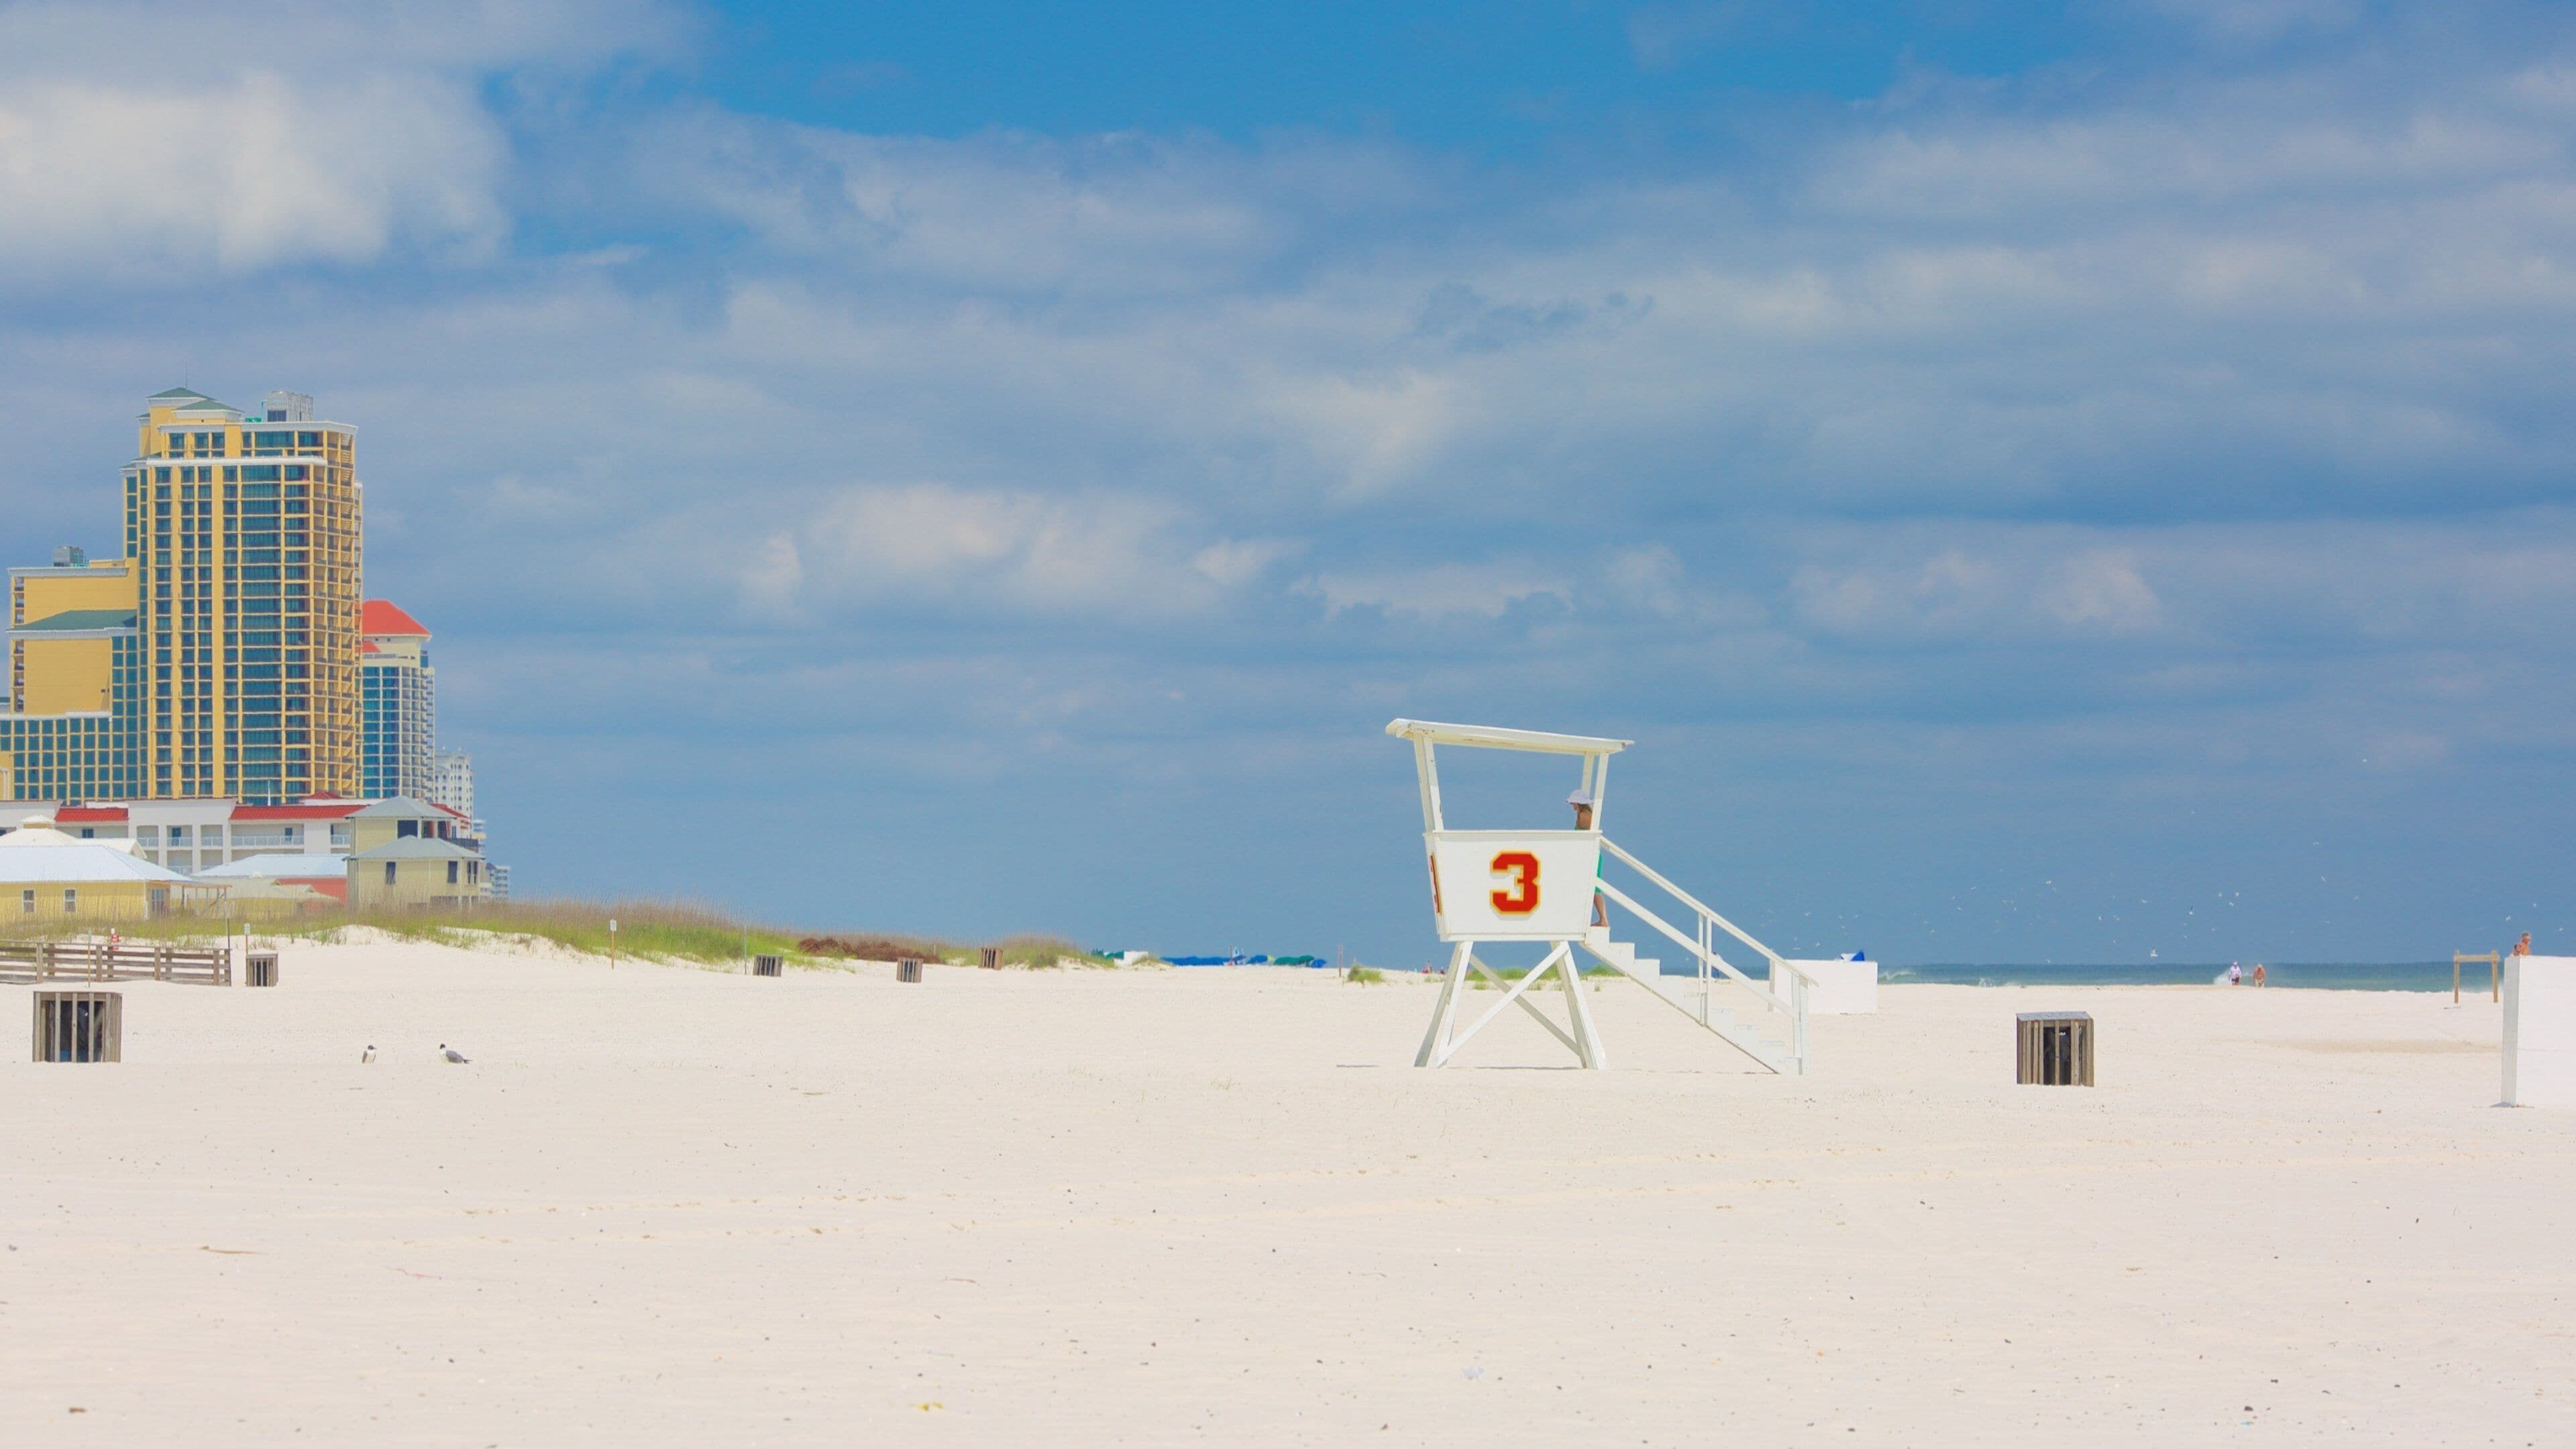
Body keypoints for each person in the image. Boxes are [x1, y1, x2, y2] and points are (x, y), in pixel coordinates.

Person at [1568, 789, 1607, 928]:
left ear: (1578, 803)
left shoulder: (1584, 816)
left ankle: (1603, 919)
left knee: (1594, 889)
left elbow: (1588, 836)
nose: (1572, 804)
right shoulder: (1582, 815)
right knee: (1590, 888)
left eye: (1573, 802)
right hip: (1589, 855)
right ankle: (1600, 919)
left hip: (1591, 855)